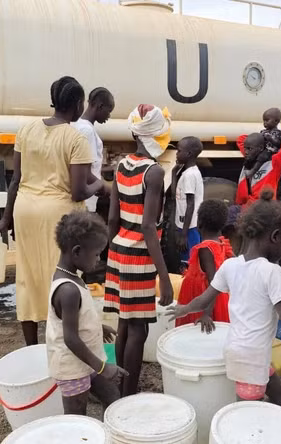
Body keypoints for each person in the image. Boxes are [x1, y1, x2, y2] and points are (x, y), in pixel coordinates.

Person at [168, 190, 281, 406]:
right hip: (252, 359)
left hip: (238, 351)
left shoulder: (231, 266)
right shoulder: (271, 272)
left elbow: (203, 299)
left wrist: (183, 309)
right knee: (246, 412)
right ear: (275, 237)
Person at [0, 76, 107, 346]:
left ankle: (31, 348)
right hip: (59, 217)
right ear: (77, 104)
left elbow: (16, 179)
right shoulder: (76, 138)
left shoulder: (26, 130)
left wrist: (6, 218)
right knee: (64, 277)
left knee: (28, 277)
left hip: (25, 211)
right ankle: (65, 344)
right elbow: (79, 191)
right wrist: (100, 185)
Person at [104, 104, 174, 396]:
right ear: (157, 137)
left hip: (119, 249)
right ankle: (128, 394)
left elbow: (112, 218)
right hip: (139, 256)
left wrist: (111, 254)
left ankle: (120, 386)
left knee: (125, 322)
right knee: (138, 329)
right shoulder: (154, 172)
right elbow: (148, 226)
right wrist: (164, 277)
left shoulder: (121, 165)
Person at [47, 211, 128, 415]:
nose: (99, 259)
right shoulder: (68, 290)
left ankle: (109, 430)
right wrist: (103, 367)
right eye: (96, 253)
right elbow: (71, 339)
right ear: (77, 252)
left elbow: (76, 318)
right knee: (77, 418)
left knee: (112, 395)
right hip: (73, 369)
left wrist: (98, 327)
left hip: (88, 361)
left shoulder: (73, 277)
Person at [175, 199, 234, 328]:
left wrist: (207, 314)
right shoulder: (222, 243)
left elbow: (213, 281)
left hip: (203, 303)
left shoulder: (205, 249)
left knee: (195, 334)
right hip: (218, 300)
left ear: (199, 223)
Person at [71, 87, 115, 213]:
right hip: (85, 202)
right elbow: (85, 172)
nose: (109, 116)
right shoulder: (87, 131)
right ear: (100, 106)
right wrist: (106, 189)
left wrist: (108, 169)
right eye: (109, 111)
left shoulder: (77, 125)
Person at [235, 132, 281, 206]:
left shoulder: (274, 163)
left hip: (262, 207)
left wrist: (273, 140)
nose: (246, 152)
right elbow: (241, 139)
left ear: (260, 148)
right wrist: (264, 136)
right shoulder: (251, 156)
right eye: (245, 148)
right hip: (245, 205)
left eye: (249, 149)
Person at [171, 136, 204, 269]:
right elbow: (175, 195)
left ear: (189, 154)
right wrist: (173, 172)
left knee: (190, 265)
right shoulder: (187, 172)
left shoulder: (190, 175)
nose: (176, 153)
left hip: (189, 228)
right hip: (184, 226)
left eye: (179, 151)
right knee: (185, 263)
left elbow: (191, 204)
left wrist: (184, 235)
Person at [247, 108, 281, 179]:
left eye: (267, 120)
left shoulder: (277, 133)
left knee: (263, 155)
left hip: (271, 151)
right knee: (252, 152)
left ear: (276, 121)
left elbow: (279, 143)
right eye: (264, 121)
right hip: (262, 148)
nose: (264, 123)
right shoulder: (263, 131)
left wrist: (270, 138)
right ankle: (248, 167)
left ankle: (253, 171)